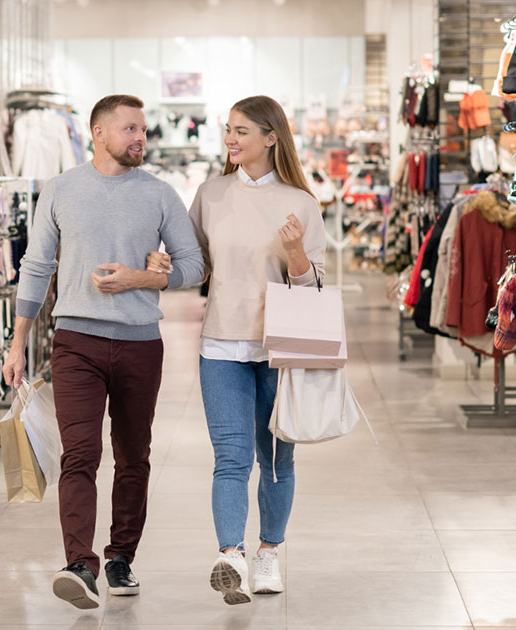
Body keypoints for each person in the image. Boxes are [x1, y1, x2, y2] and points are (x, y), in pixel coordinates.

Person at [2, 94, 204, 609]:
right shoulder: (61, 189)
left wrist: (143, 277)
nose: (141, 138)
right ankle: (79, 565)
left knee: (133, 457)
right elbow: (36, 266)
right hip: (76, 343)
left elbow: (194, 266)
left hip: (141, 344)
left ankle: (120, 558)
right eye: (130, 129)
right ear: (98, 132)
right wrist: (18, 341)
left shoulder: (160, 194)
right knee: (81, 455)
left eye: (142, 130)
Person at [150, 95, 326, 605]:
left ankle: (269, 552)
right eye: (228, 129)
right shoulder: (210, 193)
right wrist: (159, 269)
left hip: (281, 348)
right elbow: (194, 267)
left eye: (241, 130)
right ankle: (232, 556)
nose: (230, 138)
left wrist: (294, 253)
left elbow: (314, 283)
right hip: (221, 345)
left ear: (271, 137)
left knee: (275, 460)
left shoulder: (301, 201)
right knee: (230, 458)